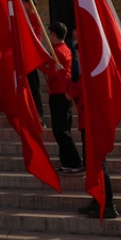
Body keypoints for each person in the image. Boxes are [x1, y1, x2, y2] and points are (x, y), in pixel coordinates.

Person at [44, 23, 83, 173]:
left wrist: (40, 66)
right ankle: (66, 162)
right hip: (63, 93)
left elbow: (55, 73)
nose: (49, 36)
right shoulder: (65, 49)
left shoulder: (58, 52)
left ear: (53, 35)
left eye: (50, 34)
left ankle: (75, 162)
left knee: (61, 131)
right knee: (62, 129)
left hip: (59, 93)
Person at [21, 0, 45, 122]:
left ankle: (39, 115)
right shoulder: (22, 17)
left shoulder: (35, 19)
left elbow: (36, 37)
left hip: (31, 55)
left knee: (34, 87)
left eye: (24, 3)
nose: (22, 6)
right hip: (23, 55)